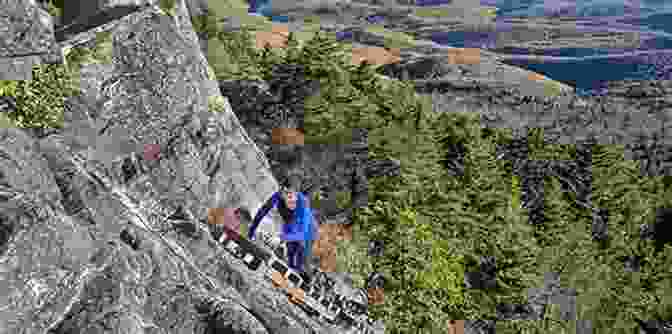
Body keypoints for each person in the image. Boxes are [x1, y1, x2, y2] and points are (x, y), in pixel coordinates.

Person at [248, 176, 317, 273]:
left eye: (288, 193)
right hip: (290, 224)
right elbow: (264, 210)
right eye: (283, 191)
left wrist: (281, 239)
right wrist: (251, 231)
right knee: (286, 253)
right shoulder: (280, 194)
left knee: (298, 263)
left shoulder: (303, 205)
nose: (283, 195)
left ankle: (308, 274)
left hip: (308, 232)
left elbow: (301, 234)